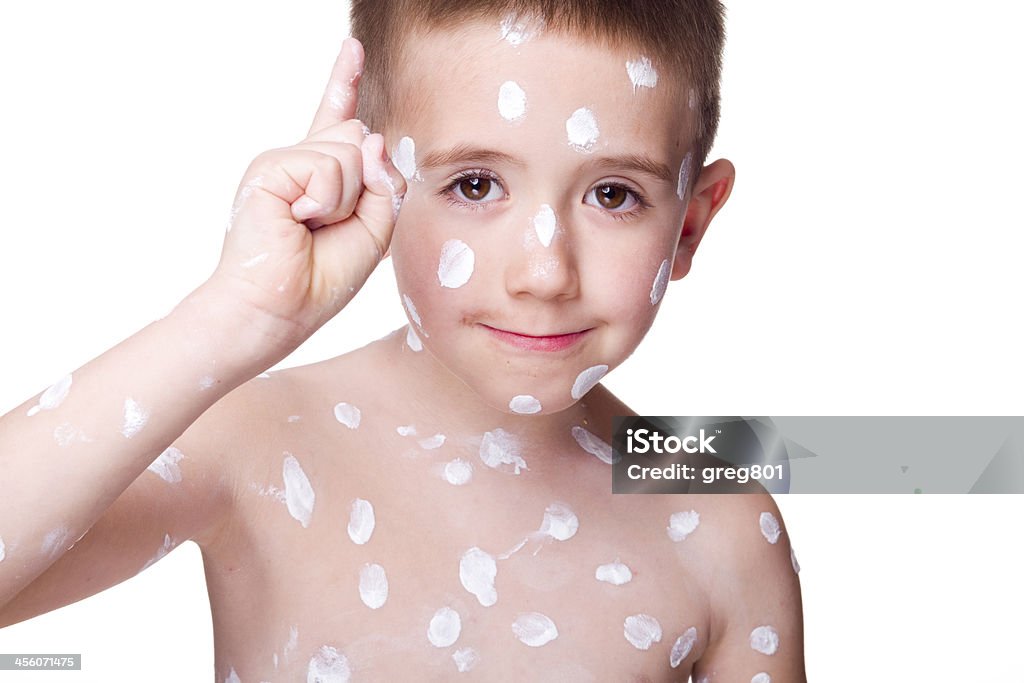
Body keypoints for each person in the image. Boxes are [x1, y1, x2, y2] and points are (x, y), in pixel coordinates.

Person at [0, 0, 805, 679]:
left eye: (613, 194)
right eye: (476, 183)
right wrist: (232, 317)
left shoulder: (719, 523)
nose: (544, 270)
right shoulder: (253, 442)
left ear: (691, 223)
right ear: (374, 176)